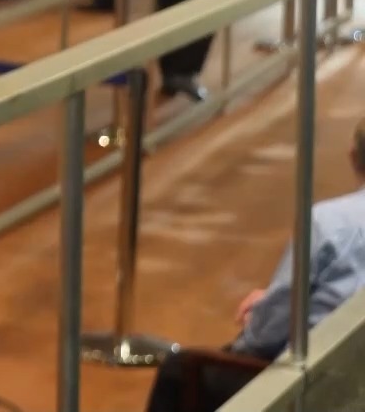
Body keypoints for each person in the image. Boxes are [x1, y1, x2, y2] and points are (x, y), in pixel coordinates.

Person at [143, 119, 365, 412]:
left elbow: (264, 338)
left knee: (178, 370)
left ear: (353, 157)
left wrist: (256, 324)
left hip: (324, 388)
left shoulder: (330, 224)